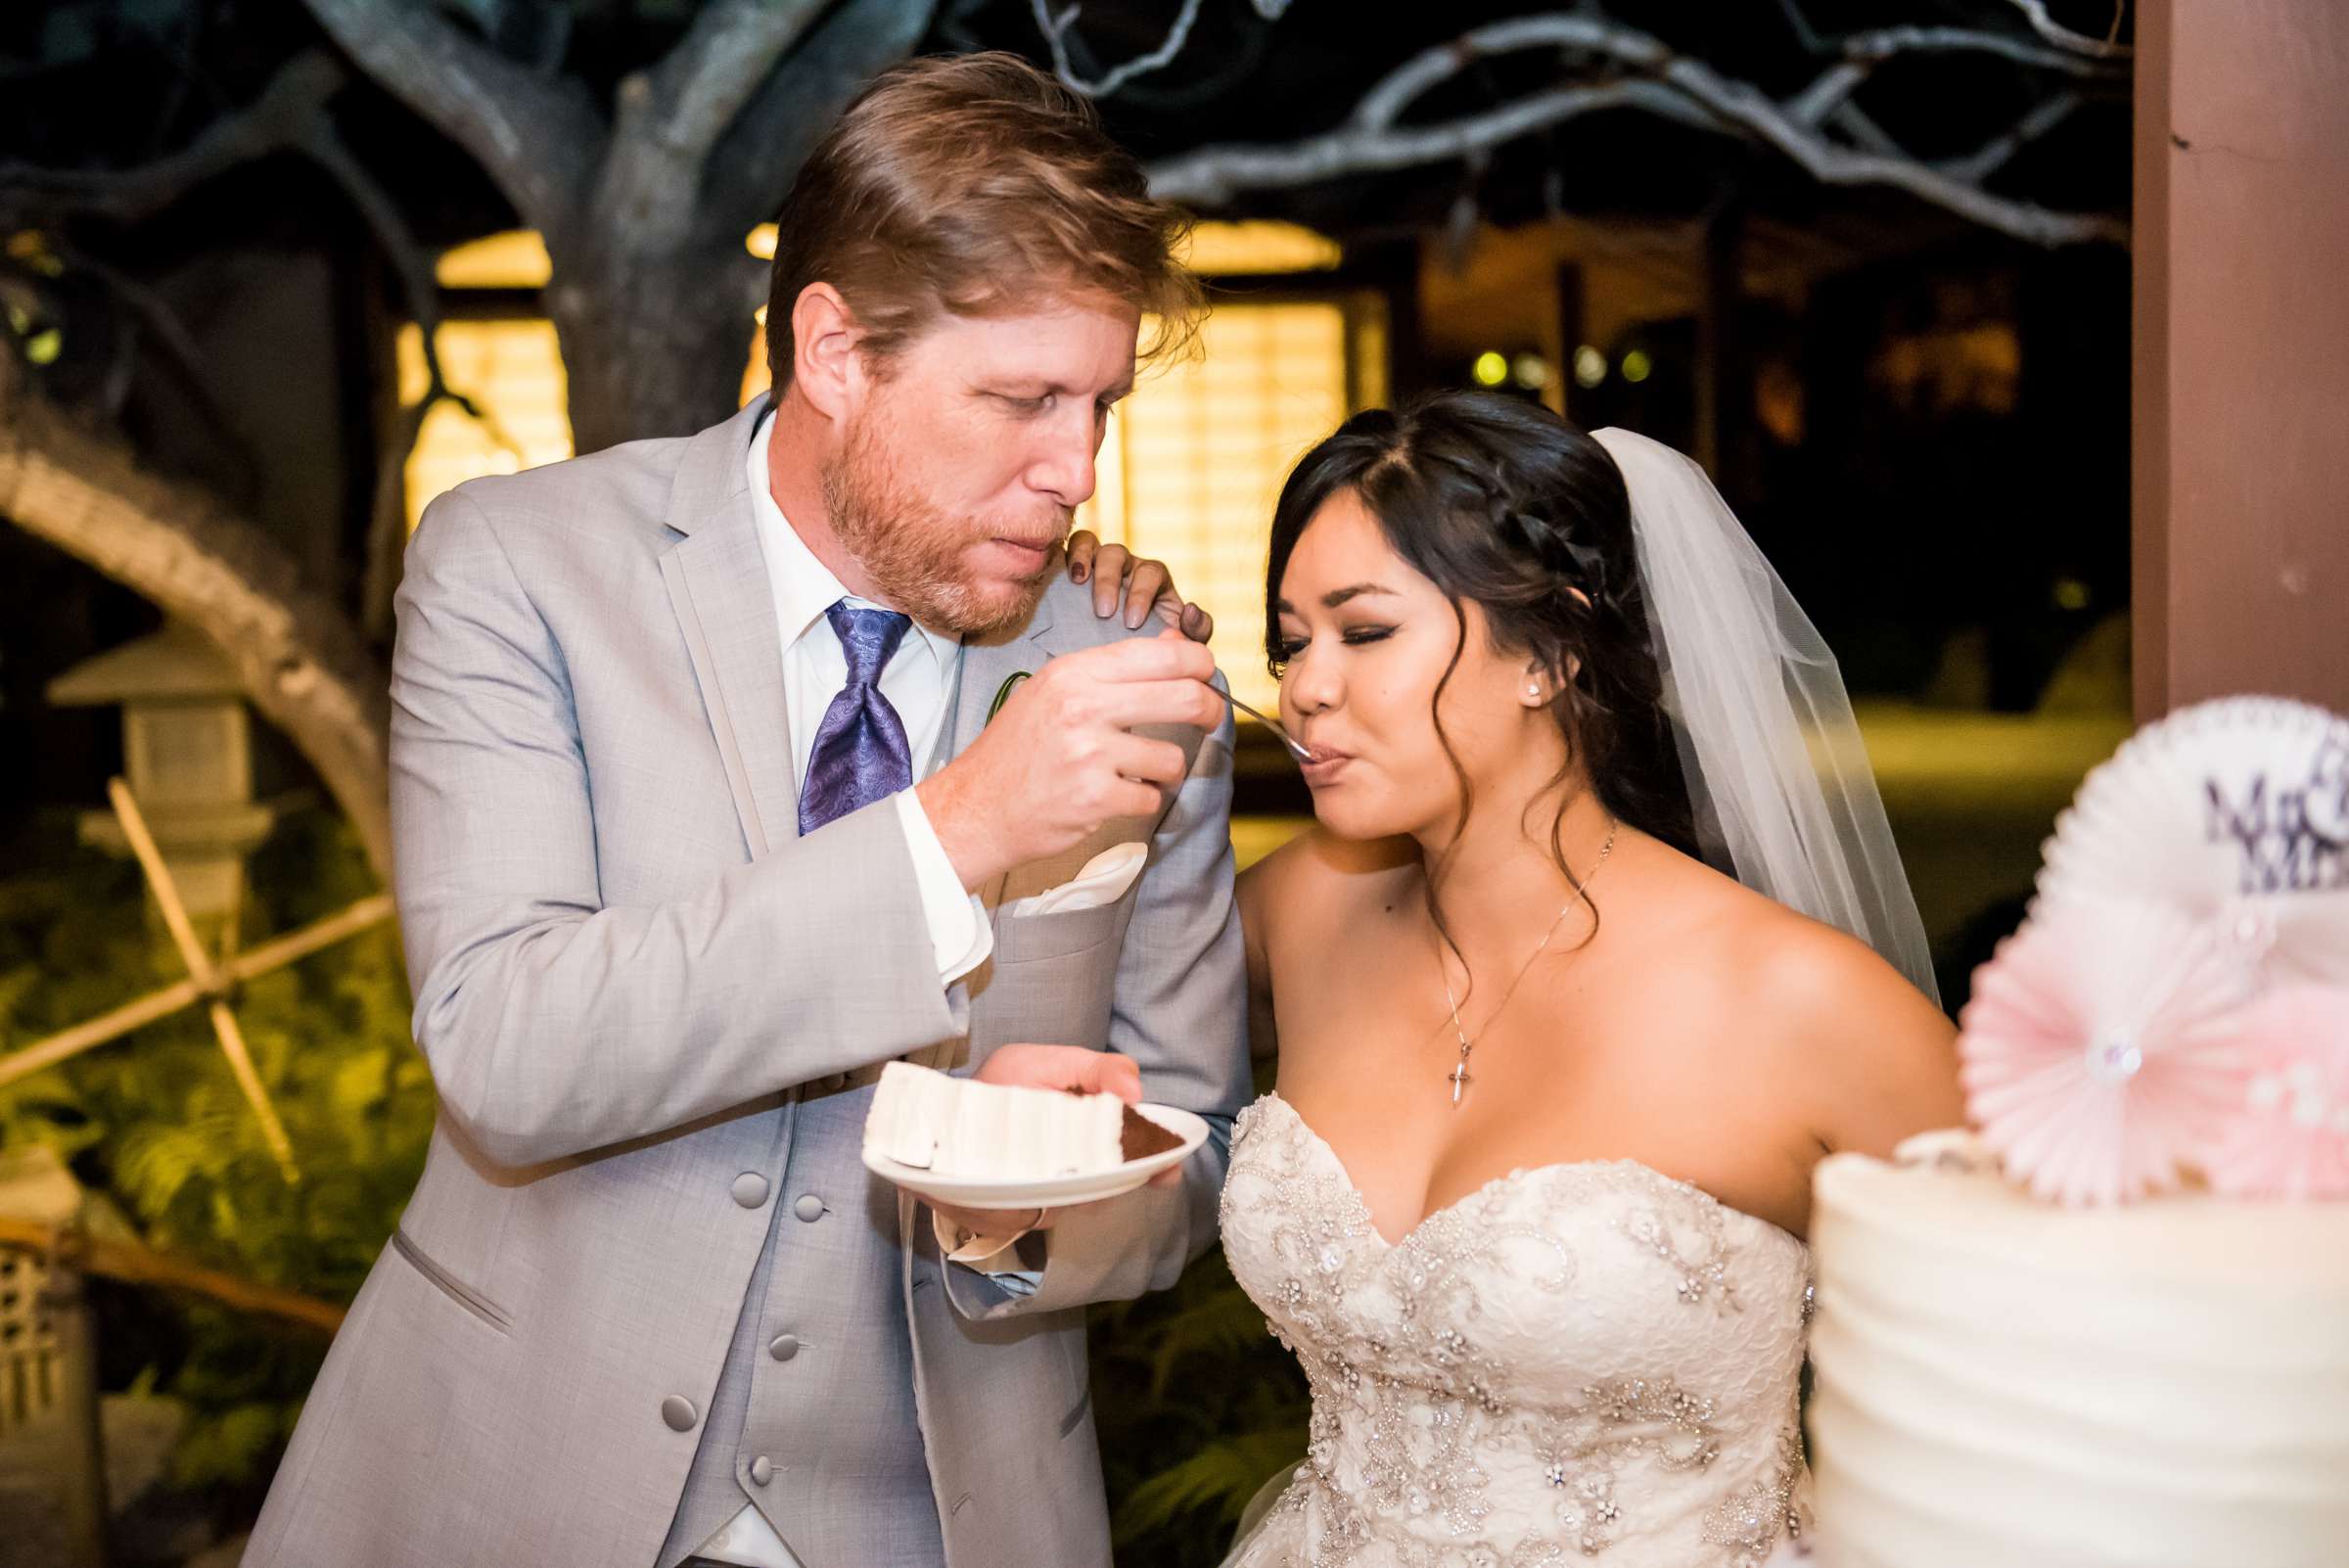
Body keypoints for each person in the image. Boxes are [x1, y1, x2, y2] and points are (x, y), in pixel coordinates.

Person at [245, 53, 1247, 1568]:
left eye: (1099, 401)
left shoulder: (1135, 666)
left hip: (933, 1517)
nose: (1076, 470)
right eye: (1023, 399)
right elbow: (507, 1045)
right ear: (834, 350)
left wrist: (1040, 1191)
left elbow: (1193, 1156)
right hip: (507, 1484)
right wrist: (959, 832)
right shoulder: (520, 569)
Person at [1073, 390, 1959, 1566]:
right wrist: (1053, 631)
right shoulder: (1304, 912)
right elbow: (1059, 1034)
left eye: (1365, 631)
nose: (1303, 688)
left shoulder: (1798, 1004)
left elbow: (2029, 1375)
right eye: (1291, 642)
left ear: (1547, 649)